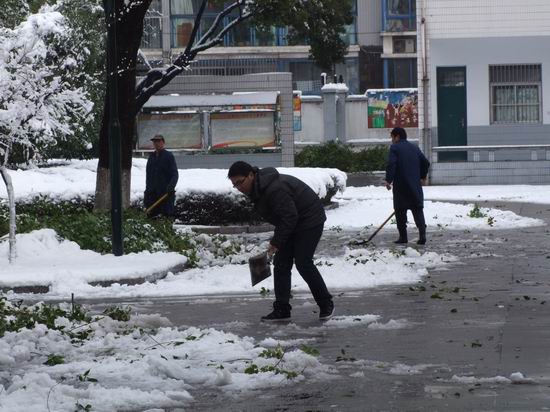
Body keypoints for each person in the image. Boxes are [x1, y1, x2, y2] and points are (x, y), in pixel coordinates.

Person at [228, 161, 334, 322]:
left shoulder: (274, 188)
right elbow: (285, 217)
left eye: (240, 182)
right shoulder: (258, 188)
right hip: (292, 221)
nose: (239, 187)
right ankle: (282, 309)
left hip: (310, 219)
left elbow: (289, 216)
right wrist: (278, 243)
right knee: (281, 263)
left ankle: (326, 304)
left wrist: (276, 243)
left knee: (303, 262)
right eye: (235, 185)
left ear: (251, 175)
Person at [384, 127, 430, 245]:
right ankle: (422, 236)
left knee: (400, 211)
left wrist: (388, 180)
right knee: (417, 209)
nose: (391, 140)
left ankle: (403, 237)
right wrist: (422, 176)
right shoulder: (414, 147)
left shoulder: (395, 148)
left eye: (392, 137)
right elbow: (425, 162)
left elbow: (392, 164)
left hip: (401, 186)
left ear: (397, 136)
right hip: (414, 185)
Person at [144, 134, 179, 218]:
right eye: (154, 142)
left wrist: (170, 187)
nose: (156, 143)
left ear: (163, 142)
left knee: (166, 217)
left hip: (165, 195)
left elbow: (175, 174)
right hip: (152, 195)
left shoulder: (168, 156)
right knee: (152, 218)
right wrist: (147, 191)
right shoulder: (151, 157)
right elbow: (148, 175)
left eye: (158, 141)